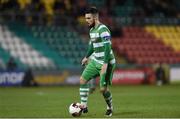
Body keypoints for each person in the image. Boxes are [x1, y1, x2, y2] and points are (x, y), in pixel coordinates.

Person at [79, 7, 116, 117]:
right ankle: (84, 105)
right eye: (86, 18)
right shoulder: (91, 30)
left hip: (107, 63)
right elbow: (92, 46)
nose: (86, 20)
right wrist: (86, 57)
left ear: (95, 17)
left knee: (103, 89)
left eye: (89, 18)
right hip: (95, 61)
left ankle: (110, 107)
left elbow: (107, 47)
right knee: (82, 80)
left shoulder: (103, 29)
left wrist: (105, 64)